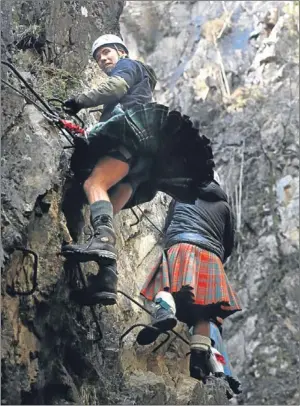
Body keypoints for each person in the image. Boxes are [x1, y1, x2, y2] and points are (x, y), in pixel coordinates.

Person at [61, 34, 215, 306]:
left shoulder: (129, 66)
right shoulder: (142, 82)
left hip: (130, 137)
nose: (103, 60)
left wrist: (81, 100)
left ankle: (103, 249)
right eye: (98, 58)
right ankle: (106, 278)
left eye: (107, 52)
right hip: (147, 164)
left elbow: (116, 88)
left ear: (121, 51)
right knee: (108, 207)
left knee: (93, 185)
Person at [137, 172, 242, 384]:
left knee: (166, 286)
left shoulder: (181, 193)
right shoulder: (225, 207)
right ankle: (198, 358)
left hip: (181, 246)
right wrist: (218, 256)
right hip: (211, 255)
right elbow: (229, 243)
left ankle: (164, 313)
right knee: (205, 312)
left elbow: (168, 226)